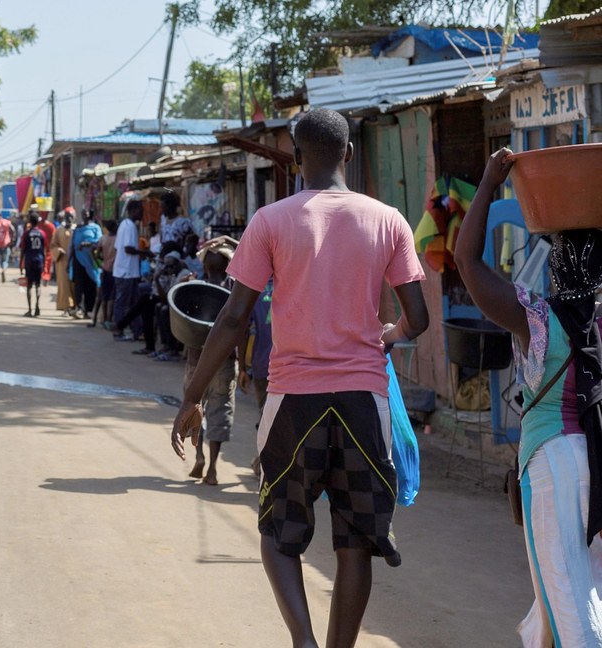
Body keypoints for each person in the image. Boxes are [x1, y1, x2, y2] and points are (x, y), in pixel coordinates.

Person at [171, 108, 429, 648]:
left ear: (294, 157)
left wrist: (191, 396)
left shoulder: (270, 221)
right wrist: (391, 333)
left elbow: (232, 318)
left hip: (293, 400)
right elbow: (419, 318)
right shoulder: (388, 220)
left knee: (278, 531)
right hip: (364, 399)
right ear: (349, 154)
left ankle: (303, 642)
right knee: (356, 541)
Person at [456, 148, 602, 647]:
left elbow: (467, 261)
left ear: (559, 265)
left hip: (554, 463)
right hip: (598, 461)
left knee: (567, 596)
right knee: (578, 590)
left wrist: (489, 182)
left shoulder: (539, 318)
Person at [182, 242, 239, 485]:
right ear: (228, 266)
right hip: (224, 362)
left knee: (195, 407)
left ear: (205, 267)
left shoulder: (194, 288)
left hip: (197, 361)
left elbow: (180, 321)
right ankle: (213, 468)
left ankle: (199, 456)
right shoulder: (235, 292)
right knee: (220, 411)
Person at [240, 282, 274, 475]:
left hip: (263, 365)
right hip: (294, 366)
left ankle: (263, 462)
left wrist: (242, 368)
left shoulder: (256, 291)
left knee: (266, 416)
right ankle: (265, 462)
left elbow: (242, 328)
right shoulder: (299, 284)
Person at [112, 200, 152, 340]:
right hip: (126, 272)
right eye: (140, 210)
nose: (142, 213)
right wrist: (145, 253)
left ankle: (137, 331)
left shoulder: (124, 225)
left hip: (126, 270)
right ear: (133, 210)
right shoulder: (129, 227)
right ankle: (119, 330)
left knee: (134, 303)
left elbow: (118, 248)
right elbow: (128, 249)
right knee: (124, 303)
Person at [71, 209, 102, 320]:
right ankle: (79, 308)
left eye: (86, 213)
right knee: (79, 285)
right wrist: (69, 261)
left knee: (90, 285)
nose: (85, 215)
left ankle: (89, 309)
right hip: (78, 260)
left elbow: (99, 241)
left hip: (90, 261)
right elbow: (72, 245)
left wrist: (85, 244)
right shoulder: (78, 228)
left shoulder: (95, 228)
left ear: (90, 215)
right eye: (83, 213)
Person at [94, 219, 118, 329]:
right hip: (114, 270)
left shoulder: (103, 239)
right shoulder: (118, 239)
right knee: (112, 296)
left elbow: (95, 252)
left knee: (104, 296)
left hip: (104, 268)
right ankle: (109, 319)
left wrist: (99, 262)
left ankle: (104, 319)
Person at [20, 213, 47, 317]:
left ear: (30, 222)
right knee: (38, 285)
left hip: (29, 261)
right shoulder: (42, 233)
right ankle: (37, 307)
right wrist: (44, 264)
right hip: (39, 261)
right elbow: (44, 250)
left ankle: (30, 309)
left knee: (29, 285)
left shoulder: (26, 234)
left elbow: (23, 250)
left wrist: (21, 264)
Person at [52, 210, 75, 315]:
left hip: (74, 261)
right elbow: (53, 245)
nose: (69, 218)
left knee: (74, 284)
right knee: (64, 285)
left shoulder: (76, 230)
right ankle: (66, 307)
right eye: (67, 216)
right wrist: (58, 250)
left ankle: (75, 306)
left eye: (71, 216)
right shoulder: (59, 230)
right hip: (62, 261)